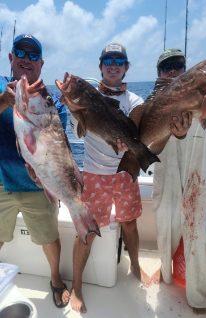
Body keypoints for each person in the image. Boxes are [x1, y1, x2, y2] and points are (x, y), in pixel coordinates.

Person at [150, 48, 206, 311]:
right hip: (167, 172)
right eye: (166, 67)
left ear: (186, 68)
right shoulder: (157, 99)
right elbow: (150, 143)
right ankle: (164, 275)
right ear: (159, 74)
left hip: (198, 173)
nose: (172, 70)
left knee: (198, 231)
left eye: (178, 65)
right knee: (166, 225)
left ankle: (199, 296)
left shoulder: (204, 90)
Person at [69, 43, 150, 313]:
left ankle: (136, 266)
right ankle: (77, 287)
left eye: (119, 60)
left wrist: (131, 148)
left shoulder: (136, 102)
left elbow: (134, 132)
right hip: (94, 175)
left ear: (127, 67)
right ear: (101, 66)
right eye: (108, 60)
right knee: (87, 233)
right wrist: (73, 111)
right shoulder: (86, 96)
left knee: (130, 224)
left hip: (125, 173)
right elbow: (78, 131)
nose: (113, 64)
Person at [0, 34, 69, 308]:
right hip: (1, 182)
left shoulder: (52, 101)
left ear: (41, 64)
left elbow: (58, 146)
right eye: (21, 53)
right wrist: (5, 101)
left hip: (38, 184)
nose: (26, 60)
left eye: (33, 56)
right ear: (11, 58)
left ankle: (55, 279)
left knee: (48, 238)